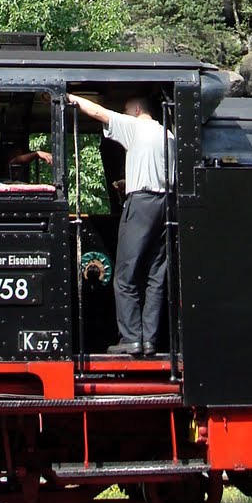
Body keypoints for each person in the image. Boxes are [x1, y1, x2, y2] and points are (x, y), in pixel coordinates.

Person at [67, 91, 173, 355]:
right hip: (166, 206)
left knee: (125, 276)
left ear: (136, 110)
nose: (125, 115)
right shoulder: (169, 137)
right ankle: (149, 339)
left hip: (141, 205)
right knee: (155, 276)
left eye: (126, 110)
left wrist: (67, 95)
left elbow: (97, 112)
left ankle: (130, 339)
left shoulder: (135, 125)